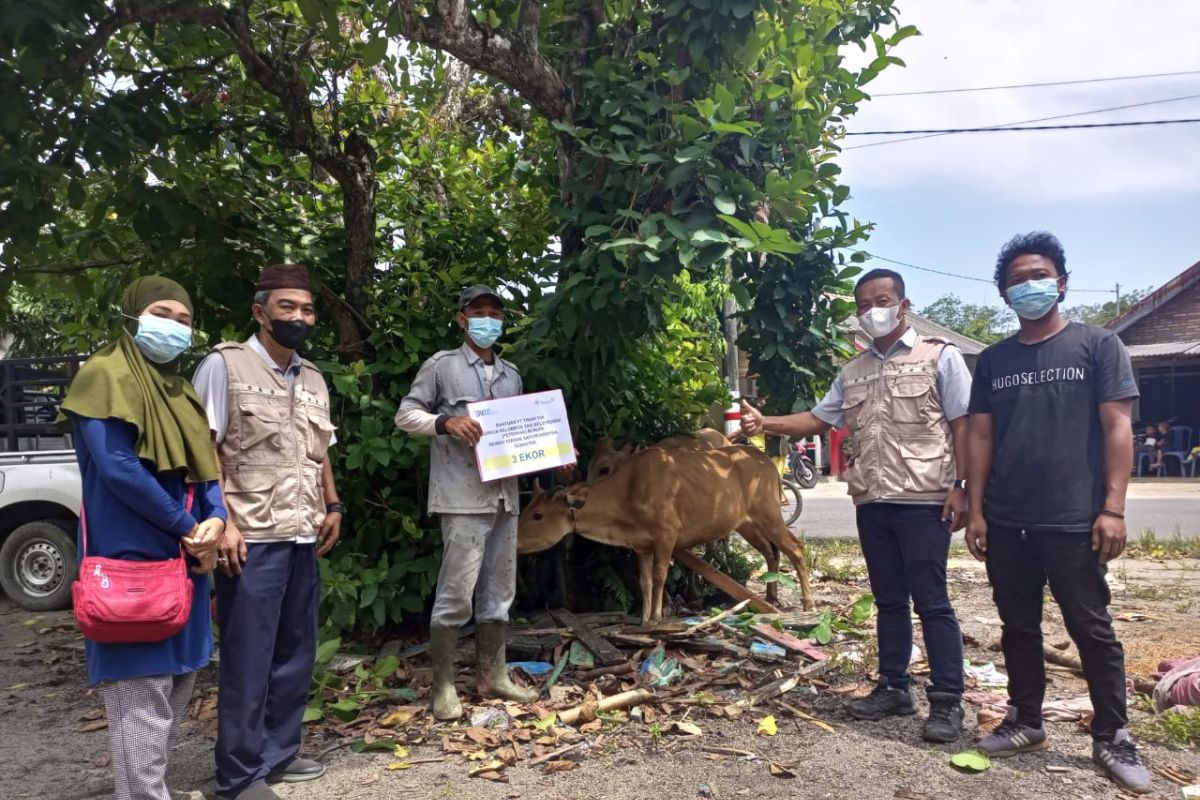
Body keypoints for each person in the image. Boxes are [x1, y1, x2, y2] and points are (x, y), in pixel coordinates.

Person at [742, 268, 971, 743]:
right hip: (872, 500)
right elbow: (816, 419)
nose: (873, 311)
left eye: (882, 300)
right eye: (863, 304)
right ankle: (893, 687)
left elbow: (964, 425)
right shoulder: (853, 371)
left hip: (925, 499)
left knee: (932, 602)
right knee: (888, 599)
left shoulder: (939, 358)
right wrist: (765, 422)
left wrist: (964, 486)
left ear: (903, 305)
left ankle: (947, 702)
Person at [964, 232, 1150, 793]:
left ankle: (1112, 737)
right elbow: (981, 437)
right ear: (1003, 294)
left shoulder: (1098, 346)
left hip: (1074, 518)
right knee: (1017, 626)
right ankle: (1026, 720)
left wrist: (1112, 509)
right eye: (1016, 280)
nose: (1029, 286)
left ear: (1062, 282)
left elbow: (1119, 427)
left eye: (1038, 275)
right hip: (1006, 518)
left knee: (1092, 628)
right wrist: (976, 510)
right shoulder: (994, 360)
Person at [61, 276, 227, 800]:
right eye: (162, 313)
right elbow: (119, 469)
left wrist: (216, 521)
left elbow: (206, 468)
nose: (174, 326)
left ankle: (148, 790)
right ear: (133, 314)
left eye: (184, 319)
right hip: (131, 564)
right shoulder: (102, 376)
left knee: (177, 686)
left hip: (186, 564)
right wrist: (190, 530)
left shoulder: (179, 390)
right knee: (141, 699)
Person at [192, 264, 343, 800]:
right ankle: (238, 776)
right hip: (250, 536)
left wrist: (334, 503)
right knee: (247, 656)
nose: (298, 317)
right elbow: (203, 447)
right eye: (287, 307)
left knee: (296, 651)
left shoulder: (315, 377)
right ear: (260, 311)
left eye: (305, 309)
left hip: (303, 532)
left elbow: (320, 448)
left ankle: (278, 756)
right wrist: (223, 521)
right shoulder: (225, 366)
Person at [394, 285, 542, 721]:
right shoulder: (442, 367)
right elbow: (406, 414)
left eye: (494, 313)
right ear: (461, 318)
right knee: (456, 593)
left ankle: (492, 676)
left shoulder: (511, 374)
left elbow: (523, 434)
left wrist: (552, 456)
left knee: (499, 593)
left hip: (504, 497)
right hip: (461, 496)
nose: (488, 320)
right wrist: (446, 422)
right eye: (478, 312)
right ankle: (443, 687)